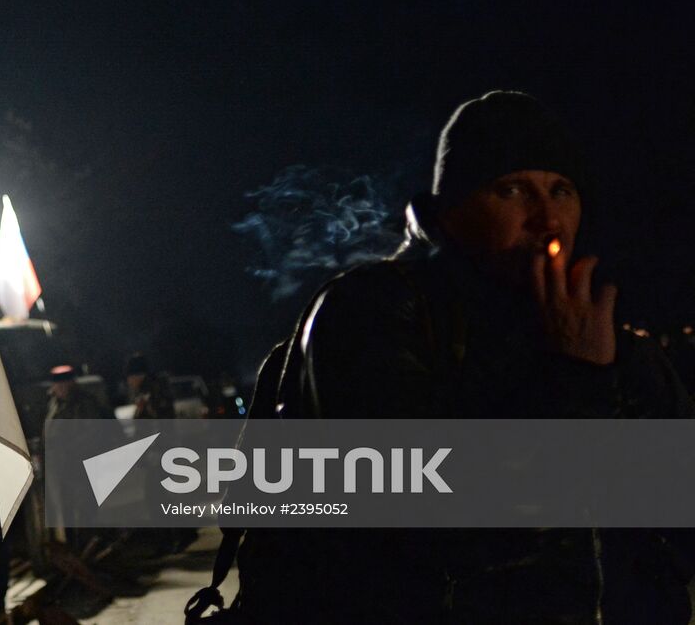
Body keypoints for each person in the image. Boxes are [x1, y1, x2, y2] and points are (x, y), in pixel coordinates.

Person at [219, 91, 695, 623]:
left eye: (561, 190)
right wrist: (575, 381)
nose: (547, 218)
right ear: (451, 210)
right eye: (511, 189)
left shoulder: (607, 335)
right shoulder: (376, 311)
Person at [123, 352, 174, 419]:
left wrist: (146, 406)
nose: (129, 383)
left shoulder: (154, 388)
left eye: (130, 379)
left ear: (137, 376)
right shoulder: (143, 390)